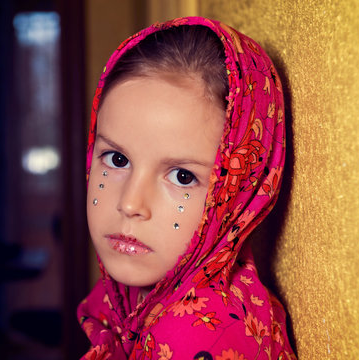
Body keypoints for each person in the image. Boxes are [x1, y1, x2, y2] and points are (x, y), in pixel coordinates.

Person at [78, 16, 296, 360]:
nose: (131, 204)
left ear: (236, 192)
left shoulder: (197, 339)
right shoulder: (130, 301)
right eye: (117, 159)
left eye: (182, 176)